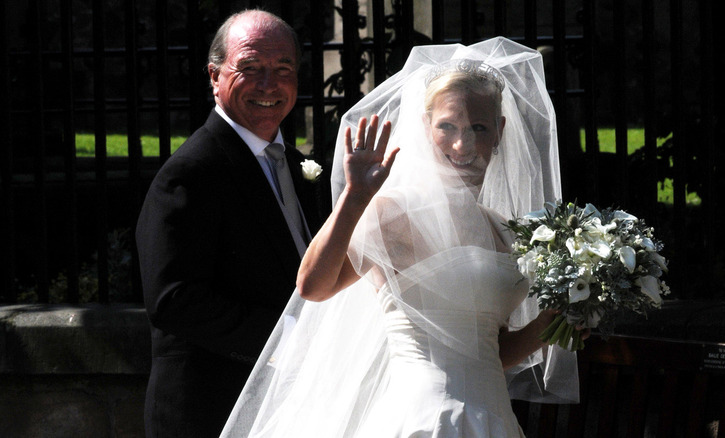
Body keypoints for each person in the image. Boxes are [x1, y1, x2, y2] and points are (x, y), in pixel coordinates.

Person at [221, 37, 581, 438]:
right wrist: (355, 199)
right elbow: (313, 286)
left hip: (492, 421)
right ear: (426, 129)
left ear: (499, 131)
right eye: (448, 126)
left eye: (478, 127)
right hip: (423, 421)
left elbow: (485, 354)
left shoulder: (501, 228)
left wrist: (549, 325)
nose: (462, 145)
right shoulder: (395, 212)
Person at [135, 9, 320, 438]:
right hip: (211, 410)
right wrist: (289, 337)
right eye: (250, 68)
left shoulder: (299, 168)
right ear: (214, 76)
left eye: (282, 69)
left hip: (290, 407)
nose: (268, 85)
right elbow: (173, 300)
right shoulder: (191, 173)